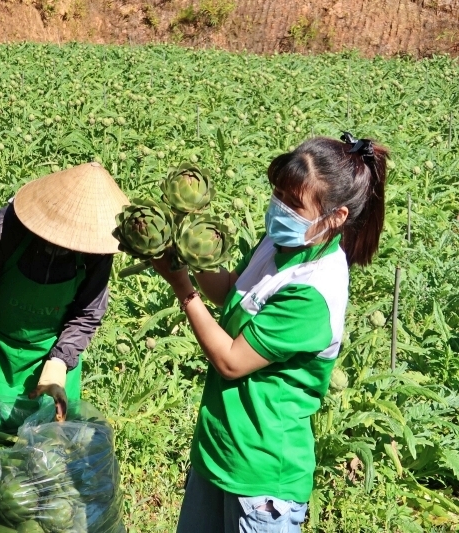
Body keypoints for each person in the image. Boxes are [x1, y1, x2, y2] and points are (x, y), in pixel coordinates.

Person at [152, 133, 387, 533]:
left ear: (336, 217)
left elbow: (231, 361)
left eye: (294, 204)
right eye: (278, 194)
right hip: (220, 450)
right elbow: (231, 291)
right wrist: (189, 249)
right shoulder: (280, 242)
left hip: (261, 476)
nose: (279, 208)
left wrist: (182, 287)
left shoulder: (314, 291)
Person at [0, 162, 129, 431]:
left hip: (52, 350)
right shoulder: (5, 229)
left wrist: (60, 361)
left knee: (50, 440)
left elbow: (88, 312)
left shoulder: (96, 248)